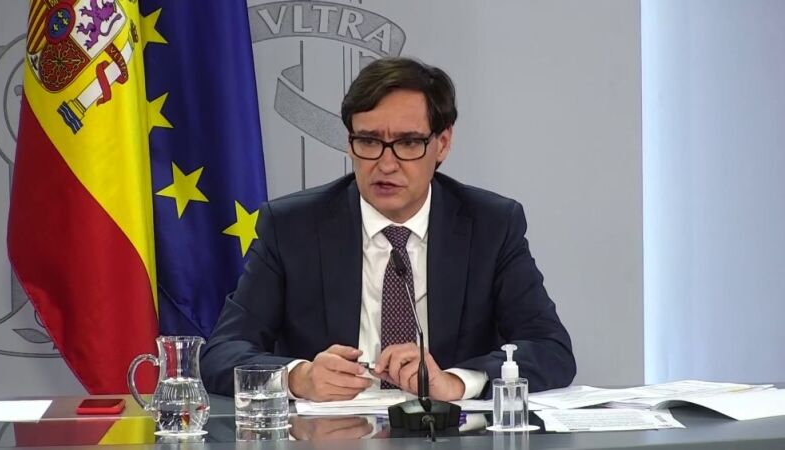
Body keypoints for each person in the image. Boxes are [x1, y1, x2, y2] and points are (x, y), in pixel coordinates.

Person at [201, 57, 575, 401]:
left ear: (442, 144)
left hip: (448, 434)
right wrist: (299, 377)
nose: (386, 164)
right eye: (369, 141)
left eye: (408, 143)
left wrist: (457, 382)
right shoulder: (292, 227)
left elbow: (550, 349)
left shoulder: (491, 225)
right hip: (329, 435)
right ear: (350, 143)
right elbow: (222, 352)